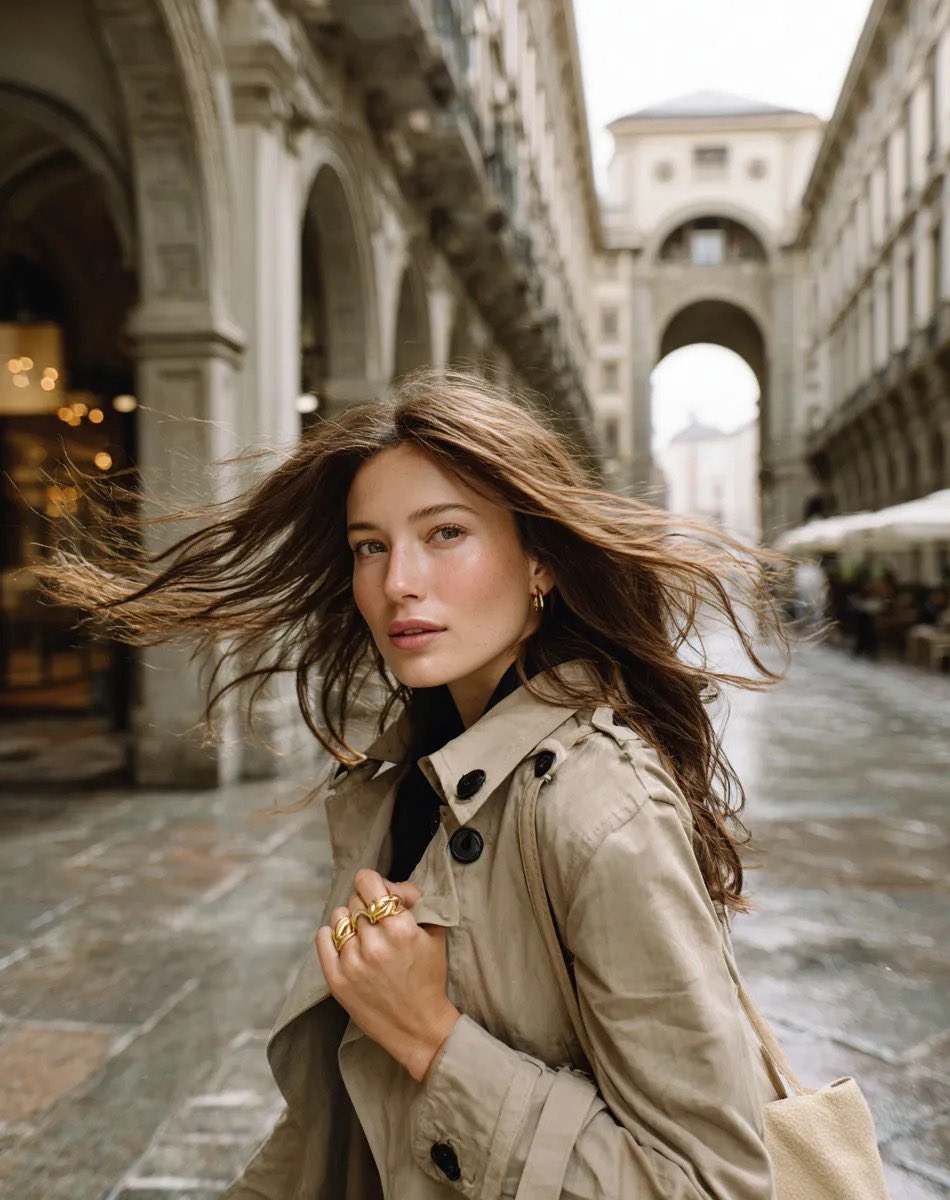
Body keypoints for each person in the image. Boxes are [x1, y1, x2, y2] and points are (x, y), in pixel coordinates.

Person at [37, 368, 789, 1199]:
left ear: (540, 560)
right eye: (371, 546)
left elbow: (716, 1186)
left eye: (445, 534)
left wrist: (434, 1037)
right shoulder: (405, 780)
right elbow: (346, 1121)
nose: (398, 582)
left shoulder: (601, 808)